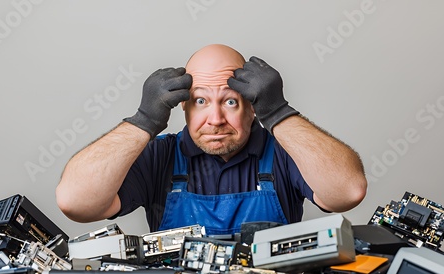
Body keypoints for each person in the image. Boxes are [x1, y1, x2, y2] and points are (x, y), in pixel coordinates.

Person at [56, 44, 367, 236]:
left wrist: (278, 113)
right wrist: (143, 121)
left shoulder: (286, 154)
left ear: (252, 106)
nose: (216, 119)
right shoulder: (160, 157)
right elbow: (76, 203)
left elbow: (348, 192)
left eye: (230, 101)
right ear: (183, 107)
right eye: (201, 101)